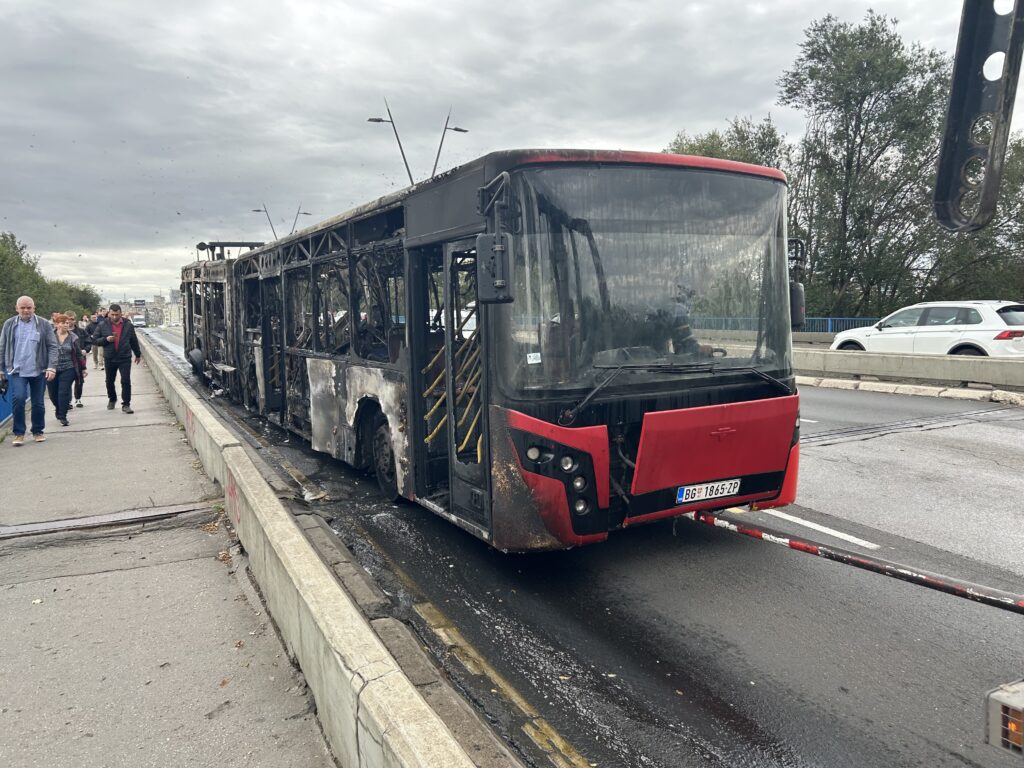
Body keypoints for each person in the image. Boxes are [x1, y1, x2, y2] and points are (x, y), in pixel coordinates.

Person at [0, 295, 58, 446]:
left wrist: (51, 367)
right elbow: (2, 347)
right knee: (18, 399)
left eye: (29, 308)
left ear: (34, 308)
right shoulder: (9, 324)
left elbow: (53, 346)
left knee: (38, 402)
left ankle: (38, 431)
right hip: (17, 370)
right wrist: (1, 369)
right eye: (23, 308)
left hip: (38, 370)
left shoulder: (44, 324)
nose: (26, 310)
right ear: (16, 308)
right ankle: (19, 433)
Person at [91, 303, 142, 413]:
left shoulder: (128, 325)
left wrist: (137, 354)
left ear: (121, 314)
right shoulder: (102, 324)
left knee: (125, 380)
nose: (114, 317)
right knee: (109, 381)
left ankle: (126, 404)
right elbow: (95, 340)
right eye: (112, 314)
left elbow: (133, 340)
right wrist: (106, 340)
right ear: (109, 313)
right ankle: (112, 399)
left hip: (124, 357)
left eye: (117, 315)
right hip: (110, 357)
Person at [46, 314, 87, 426]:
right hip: (52, 368)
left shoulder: (73, 337)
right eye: (63, 322)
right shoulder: (50, 336)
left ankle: (63, 416)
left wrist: (83, 368)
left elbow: (78, 354)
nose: (66, 324)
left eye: (67, 322)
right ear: (56, 324)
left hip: (69, 368)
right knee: (53, 394)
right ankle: (58, 408)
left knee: (63, 392)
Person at [65, 310, 89, 407]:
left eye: (72, 319)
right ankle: (68, 401)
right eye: (67, 319)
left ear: (75, 320)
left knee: (79, 380)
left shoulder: (81, 332)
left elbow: (89, 342)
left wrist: (85, 350)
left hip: (79, 360)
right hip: (66, 361)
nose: (70, 321)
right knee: (66, 382)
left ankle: (78, 398)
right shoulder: (59, 332)